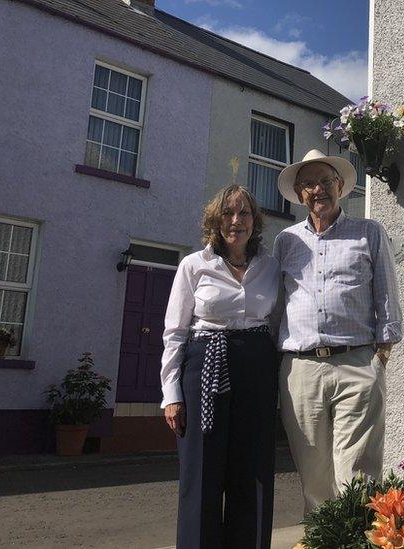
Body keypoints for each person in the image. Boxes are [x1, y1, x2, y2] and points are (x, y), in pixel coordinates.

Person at [274, 149, 403, 516]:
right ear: (300, 194)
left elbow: (388, 298)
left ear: (341, 186)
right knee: (314, 476)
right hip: (300, 370)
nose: (318, 189)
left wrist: (380, 357)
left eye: (326, 181)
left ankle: (358, 540)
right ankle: (323, 539)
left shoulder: (369, 232)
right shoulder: (286, 241)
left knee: (357, 475)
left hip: (357, 363)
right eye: (309, 183)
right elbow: (277, 304)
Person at [160, 185, 281, 548]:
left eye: (244, 213)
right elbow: (175, 332)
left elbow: (276, 323)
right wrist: (171, 394)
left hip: (257, 366)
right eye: (228, 213)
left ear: (254, 221)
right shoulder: (194, 265)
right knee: (201, 474)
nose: (236, 221)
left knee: (254, 470)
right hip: (204, 364)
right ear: (216, 220)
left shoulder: (271, 267)